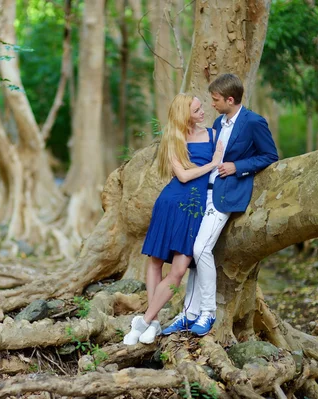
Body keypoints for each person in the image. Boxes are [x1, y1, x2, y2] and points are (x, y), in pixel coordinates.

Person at [161, 73, 279, 337]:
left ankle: (208, 313)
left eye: (215, 100)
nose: (211, 104)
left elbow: (270, 155)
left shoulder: (253, 122)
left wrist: (238, 166)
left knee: (201, 248)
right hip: (202, 194)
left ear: (229, 99)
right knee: (191, 252)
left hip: (227, 195)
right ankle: (188, 314)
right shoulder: (218, 121)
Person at [123, 93, 224, 345]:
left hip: (195, 207)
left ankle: (144, 321)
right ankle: (154, 322)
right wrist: (212, 163)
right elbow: (183, 176)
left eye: (202, 108)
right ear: (185, 114)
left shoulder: (213, 135)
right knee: (156, 262)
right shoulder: (173, 138)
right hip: (170, 202)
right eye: (198, 109)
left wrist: (218, 163)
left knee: (178, 270)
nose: (203, 112)